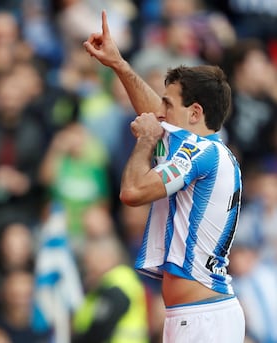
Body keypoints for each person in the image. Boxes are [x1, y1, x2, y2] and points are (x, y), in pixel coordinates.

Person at [83, 10, 245, 342]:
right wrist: (120, 65)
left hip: (203, 319)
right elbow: (155, 115)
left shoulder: (199, 153)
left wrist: (145, 139)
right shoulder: (207, 150)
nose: (160, 113)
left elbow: (132, 192)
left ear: (195, 112)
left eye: (169, 105)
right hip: (198, 315)